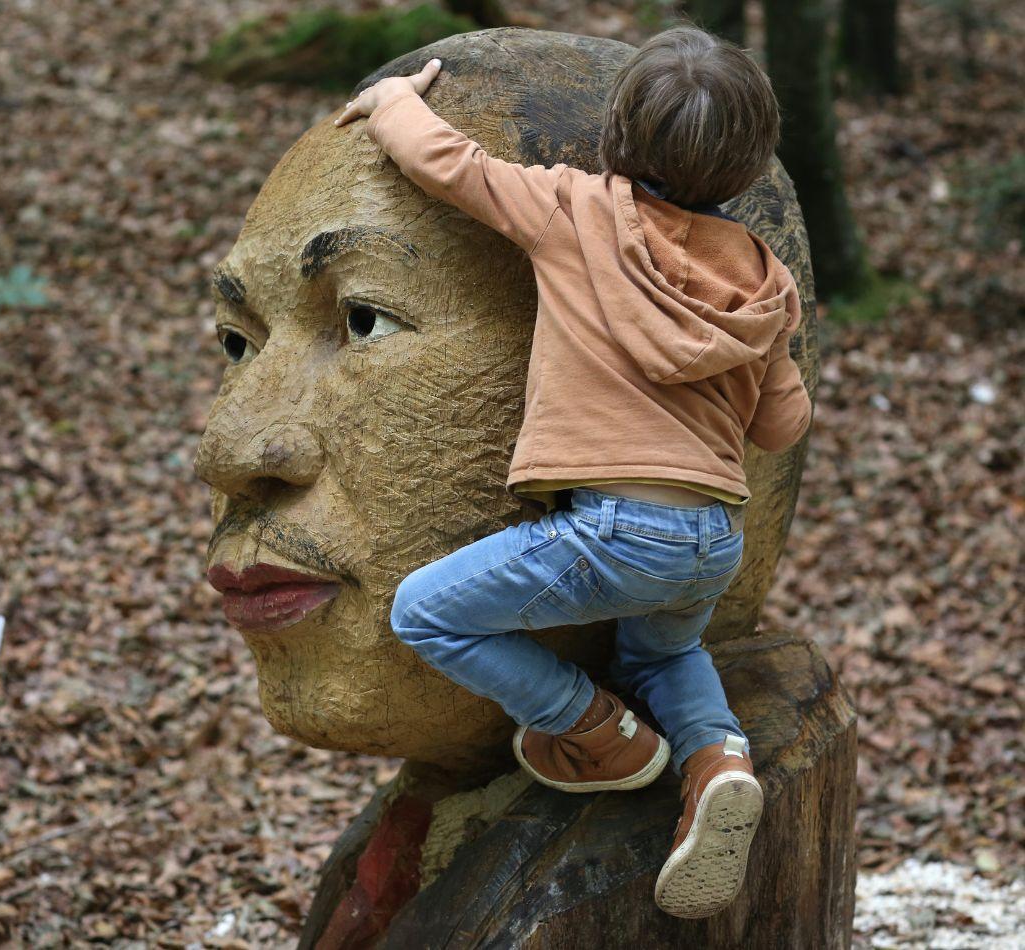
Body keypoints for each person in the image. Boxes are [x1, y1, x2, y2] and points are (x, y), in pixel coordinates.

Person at [335, 26, 812, 918]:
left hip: (611, 528)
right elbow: (782, 427)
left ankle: (594, 733)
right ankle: (717, 762)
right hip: (713, 538)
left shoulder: (576, 212)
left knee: (424, 612)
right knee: (667, 650)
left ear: (619, 135)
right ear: (750, 161)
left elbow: (453, 167)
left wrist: (395, 98)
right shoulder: (763, 280)